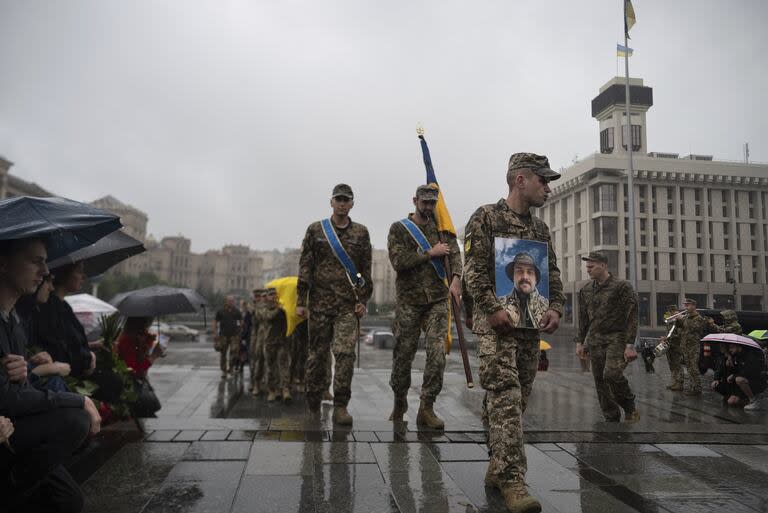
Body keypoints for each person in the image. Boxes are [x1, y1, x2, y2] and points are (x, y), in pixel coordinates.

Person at [463, 152, 564, 513]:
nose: (548, 187)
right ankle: (513, 481)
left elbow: (551, 272)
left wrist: (555, 307)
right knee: (504, 392)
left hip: (528, 327)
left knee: (516, 398)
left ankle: (497, 462)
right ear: (521, 179)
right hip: (496, 326)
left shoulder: (540, 231)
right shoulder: (485, 218)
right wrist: (492, 309)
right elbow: (472, 271)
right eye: (543, 180)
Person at [0, 237, 101, 513]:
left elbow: (20, 390)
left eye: (45, 263)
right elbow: (7, 398)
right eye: (36, 262)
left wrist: (24, 376)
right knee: (74, 420)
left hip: (14, 425)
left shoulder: (14, 323)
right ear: (3, 264)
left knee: (69, 499)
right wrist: (76, 400)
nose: (45, 272)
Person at [296, 183, 373, 425]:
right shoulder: (316, 230)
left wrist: (363, 300)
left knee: (345, 355)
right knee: (316, 356)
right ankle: (312, 403)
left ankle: (341, 405)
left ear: (351, 204)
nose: (341, 203)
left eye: (346, 200)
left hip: (347, 308)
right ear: (331, 202)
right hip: (318, 305)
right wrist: (301, 300)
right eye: (338, 199)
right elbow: (305, 266)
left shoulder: (361, 233)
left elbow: (365, 272)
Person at [387, 184, 461, 429]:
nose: (428, 207)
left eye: (432, 203)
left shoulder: (442, 229)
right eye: (424, 202)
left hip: (438, 300)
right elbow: (399, 261)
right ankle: (399, 400)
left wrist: (457, 279)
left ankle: (426, 407)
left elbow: (455, 255)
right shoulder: (399, 228)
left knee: (437, 354)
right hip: (409, 300)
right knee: (403, 355)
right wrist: (430, 253)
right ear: (415, 201)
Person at [574, 251, 640, 423]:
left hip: (616, 338)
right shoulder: (586, 290)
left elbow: (632, 314)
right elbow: (583, 318)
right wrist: (580, 342)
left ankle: (629, 407)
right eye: (587, 266)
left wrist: (630, 344)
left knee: (611, 374)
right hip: (595, 340)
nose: (587, 269)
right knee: (600, 382)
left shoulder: (621, 286)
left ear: (603, 265)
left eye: (591, 266)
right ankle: (611, 419)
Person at [33, 262, 96, 380]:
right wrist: (89, 357)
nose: (84, 276)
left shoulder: (64, 306)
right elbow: (64, 348)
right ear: (64, 272)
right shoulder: (50, 309)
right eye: (79, 271)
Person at [661, 298, 711, 396]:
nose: (686, 307)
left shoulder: (698, 318)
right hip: (685, 346)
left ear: (693, 306)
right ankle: (692, 387)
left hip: (693, 347)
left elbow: (693, 327)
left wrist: (682, 319)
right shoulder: (687, 317)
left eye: (688, 305)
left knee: (693, 368)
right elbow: (681, 327)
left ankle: (697, 388)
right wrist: (676, 320)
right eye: (685, 305)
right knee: (689, 367)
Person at [711, 342, 767, 411]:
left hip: (754, 381)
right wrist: (716, 378)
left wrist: (733, 374)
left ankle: (753, 401)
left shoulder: (748, 356)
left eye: (731, 347)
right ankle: (734, 397)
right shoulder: (728, 356)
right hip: (733, 384)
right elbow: (720, 370)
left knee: (739, 380)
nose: (721, 348)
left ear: (737, 346)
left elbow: (748, 371)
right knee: (715, 386)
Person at [500, 253, 549, 329]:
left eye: (530, 272)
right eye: (519, 271)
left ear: (536, 280)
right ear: (513, 277)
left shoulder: (548, 306)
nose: (525, 277)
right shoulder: (498, 305)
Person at [258, 288, 291, 402]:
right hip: (269, 343)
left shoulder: (283, 308)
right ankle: (272, 390)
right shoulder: (263, 308)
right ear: (267, 297)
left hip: (282, 342)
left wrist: (285, 309)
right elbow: (268, 317)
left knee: (284, 366)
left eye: (274, 294)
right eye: (270, 294)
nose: (273, 296)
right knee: (270, 368)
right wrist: (278, 308)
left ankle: (285, 390)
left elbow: (290, 320)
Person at [213, 295, 242, 379]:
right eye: (229, 301)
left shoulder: (236, 311)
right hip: (223, 335)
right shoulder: (221, 311)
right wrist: (215, 333)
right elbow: (215, 321)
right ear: (226, 301)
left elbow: (241, 321)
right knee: (223, 354)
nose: (231, 302)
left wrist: (239, 331)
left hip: (234, 336)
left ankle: (231, 368)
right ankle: (224, 371)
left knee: (234, 353)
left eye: (232, 301)